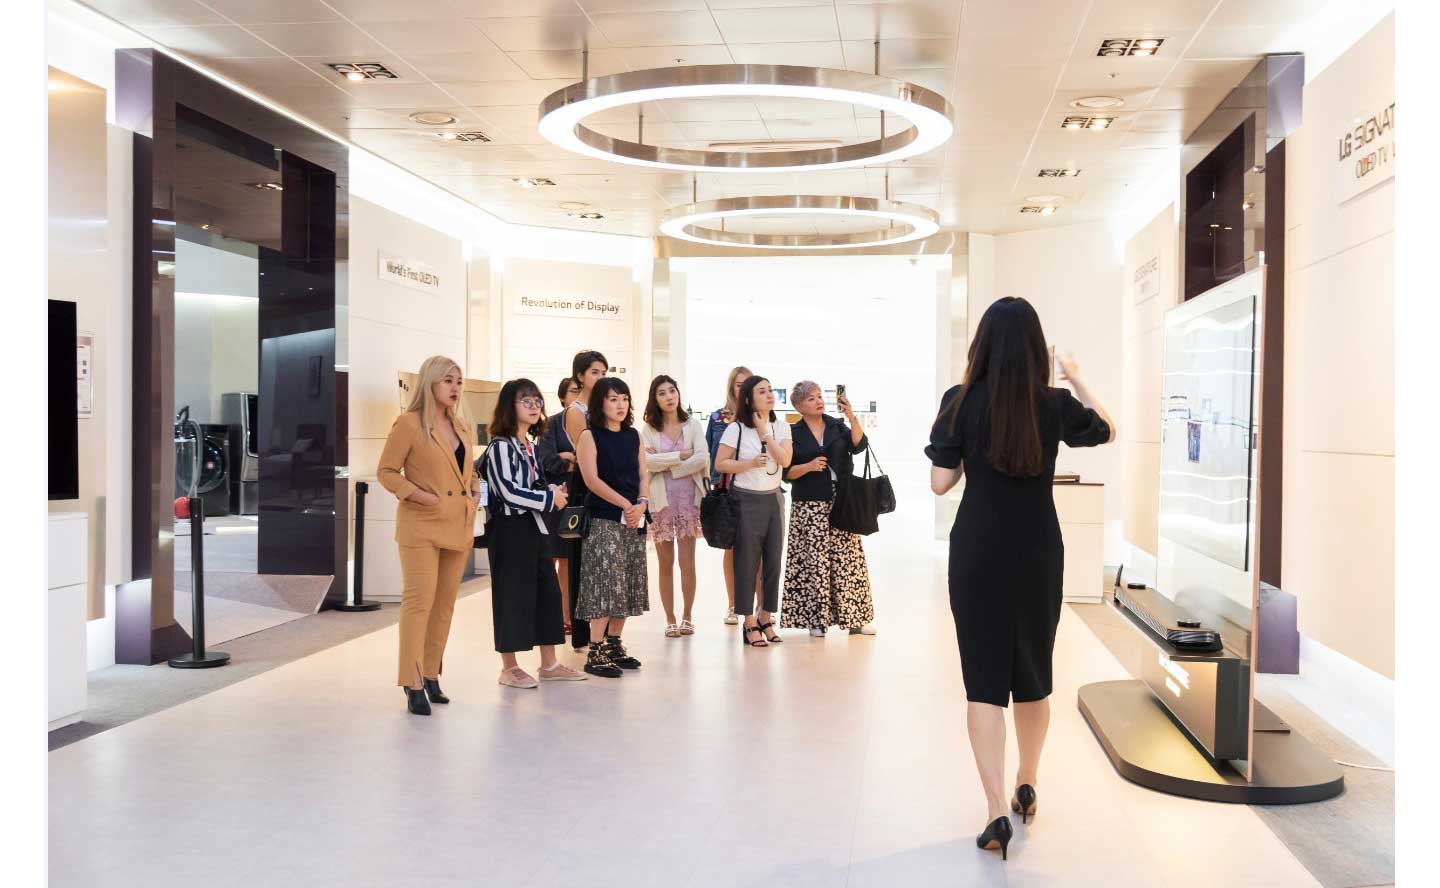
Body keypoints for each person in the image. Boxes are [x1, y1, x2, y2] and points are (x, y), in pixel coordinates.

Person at [925, 297, 1115, 860]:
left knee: (983, 681)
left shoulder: (959, 402)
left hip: (978, 549)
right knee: (1033, 672)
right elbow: (1107, 429)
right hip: (1037, 549)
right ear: (1037, 349)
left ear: (980, 346)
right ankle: (1027, 783)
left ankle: (992, 812)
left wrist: (968, 456)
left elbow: (940, 483)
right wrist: (1076, 378)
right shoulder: (1052, 404)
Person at [376, 355, 480, 716]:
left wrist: (476, 488)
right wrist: (418, 494)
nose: (455, 387)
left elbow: (468, 470)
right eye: (448, 380)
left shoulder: (463, 425)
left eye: (459, 381)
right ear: (430, 383)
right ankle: (412, 680)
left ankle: (432, 673)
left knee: (445, 605)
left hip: (457, 523)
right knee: (419, 603)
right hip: (420, 524)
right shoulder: (408, 424)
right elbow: (386, 472)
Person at [481, 379, 587, 688]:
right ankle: (509, 667)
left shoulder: (528, 443)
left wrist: (551, 489)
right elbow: (509, 492)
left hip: (535, 527)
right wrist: (547, 498)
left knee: (548, 594)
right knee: (512, 596)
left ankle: (549, 663)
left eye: (537, 401)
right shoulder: (500, 445)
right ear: (509, 407)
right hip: (510, 530)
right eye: (526, 401)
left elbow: (532, 484)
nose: (534, 406)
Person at [780, 381, 876, 637]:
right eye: (811, 399)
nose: (818, 401)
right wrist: (809, 467)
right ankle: (816, 620)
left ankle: (856, 619)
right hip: (809, 503)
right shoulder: (792, 432)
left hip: (841, 499)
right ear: (799, 406)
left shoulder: (837, 425)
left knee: (848, 560)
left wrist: (851, 415)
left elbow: (860, 445)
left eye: (820, 396)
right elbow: (786, 472)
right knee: (814, 562)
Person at [574, 377, 651, 678]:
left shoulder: (634, 435)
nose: (620, 405)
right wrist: (626, 504)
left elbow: (644, 472)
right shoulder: (589, 436)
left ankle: (615, 644)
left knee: (628, 581)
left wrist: (642, 503)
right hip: (605, 516)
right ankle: (595, 650)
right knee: (606, 582)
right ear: (600, 403)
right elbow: (592, 480)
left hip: (634, 517)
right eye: (613, 399)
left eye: (624, 399)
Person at [714, 375, 792, 647]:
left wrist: (765, 433)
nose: (770, 394)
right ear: (748, 398)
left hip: (773, 500)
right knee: (746, 563)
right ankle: (748, 622)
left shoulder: (781, 427)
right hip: (744, 500)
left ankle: (766, 617)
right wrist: (748, 464)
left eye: (771, 390)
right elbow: (721, 464)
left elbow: (784, 460)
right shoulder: (735, 428)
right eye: (762, 391)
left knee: (772, 563)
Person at [640, 375, 709, 638]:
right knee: (665, 563)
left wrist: (666, 464)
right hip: (661, 503)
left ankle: (687, 616)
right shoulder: (648, 428)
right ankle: (669, 618)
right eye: (662, 393)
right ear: (654, 398)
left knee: (687, 563)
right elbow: (647, 462)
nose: (669, 396)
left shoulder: (692, 424)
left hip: (689, 501)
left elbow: (702, 457)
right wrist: (680, 456)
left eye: (672, 390)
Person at [561, 351, 609, 651]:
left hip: (611, 487)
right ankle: (583, 634)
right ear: (580, 376)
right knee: (583, 563)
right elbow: (589, 451)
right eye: (594, 372)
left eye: (604, 372)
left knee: (606, 564)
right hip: (586, 488)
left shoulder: (607, 405)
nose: (600, 377)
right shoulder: (576, 411)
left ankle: (604, 633)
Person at [705, 366, 752, 625]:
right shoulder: (716, 418)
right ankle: (733, 604)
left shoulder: (761, 418)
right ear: (731, 387)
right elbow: (711, 454)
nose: (742, 389)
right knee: (731, 548)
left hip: (757, 488)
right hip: (727, 488)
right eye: (738, 384)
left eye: (747, 384)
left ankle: (755, 607)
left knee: (757, 550)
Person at [537, 376, 583, 635]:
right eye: (573, 391)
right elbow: (547, 462)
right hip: (556, 499)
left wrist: (568, 458)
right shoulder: (551, 424)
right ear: (563, 396)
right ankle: (554, 615)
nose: (577, 396)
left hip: (580, 500)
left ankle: (568, 616)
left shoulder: (588, 423)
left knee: (570, 561)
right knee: (555, 559)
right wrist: (571, 461)